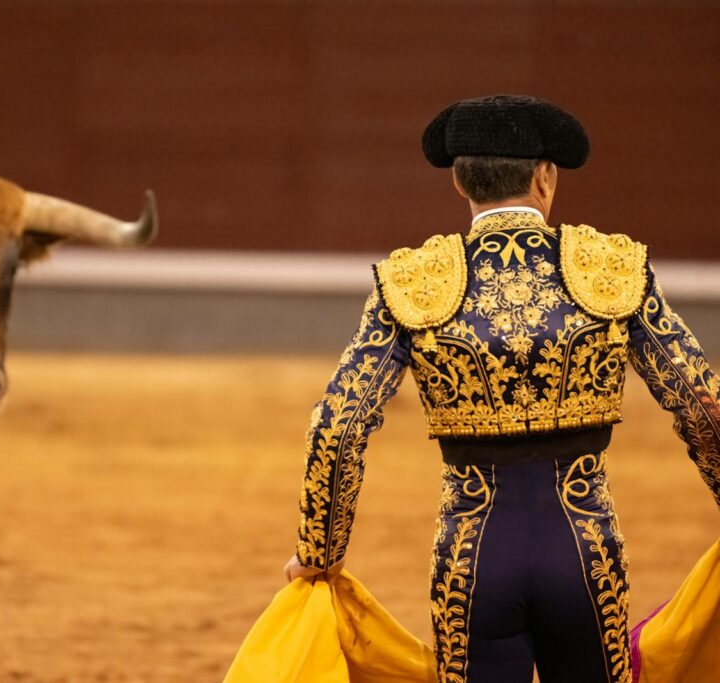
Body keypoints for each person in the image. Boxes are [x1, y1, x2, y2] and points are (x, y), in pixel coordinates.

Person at [282, 94, 720, 683]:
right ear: (545, 177)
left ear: (461, 185)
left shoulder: (415, 283)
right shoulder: (609, 268)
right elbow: (703, 406)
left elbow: (337, 429)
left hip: (472, 552)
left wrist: (319, 556)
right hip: (584, 545)